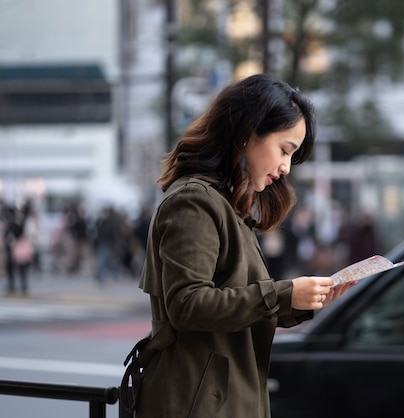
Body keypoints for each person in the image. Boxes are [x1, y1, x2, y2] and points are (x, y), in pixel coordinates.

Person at [133, 74, 356, 417]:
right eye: (285, 150)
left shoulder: (226, 206)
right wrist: (283, 294)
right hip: (196, 402)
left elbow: (240, 304)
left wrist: (304, 302)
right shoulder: (194, 201)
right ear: (247, 132)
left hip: (221, 398)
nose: (286, 167)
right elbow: (188, 304)